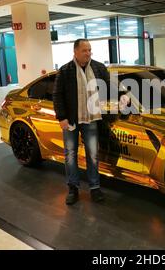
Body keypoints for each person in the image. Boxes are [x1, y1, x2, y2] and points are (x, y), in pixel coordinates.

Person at [53, 39, 110, 205]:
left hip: (91, 118)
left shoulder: (98, 67)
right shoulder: (65, 71)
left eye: (90, 50)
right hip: (70, 119)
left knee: (92, 154)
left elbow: (110, 86)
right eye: (84, 50)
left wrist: (123, 95)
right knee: (70, 154)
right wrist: (61, 117)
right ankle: (73, 188)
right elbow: (57, 95)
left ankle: (95, 187)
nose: (88, 53)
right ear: (75, 52)